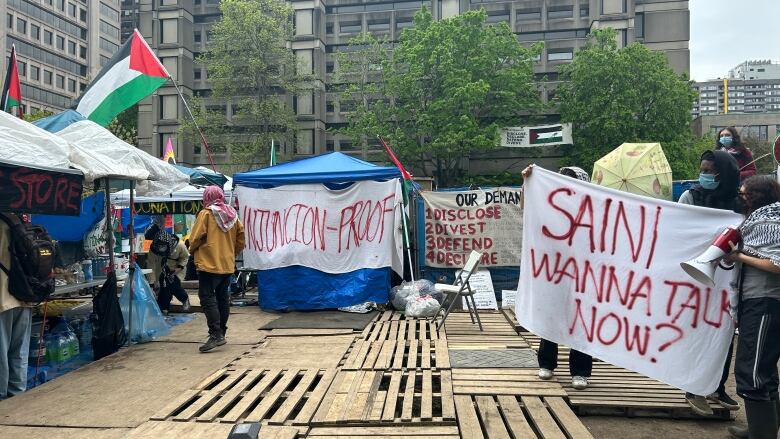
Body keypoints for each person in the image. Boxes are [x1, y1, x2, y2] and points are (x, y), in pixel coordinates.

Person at [677, 150, 741, 415]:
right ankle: (694, 389)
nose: (704, 175)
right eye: (702, 169)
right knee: (699, 334)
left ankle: (717, 386)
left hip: (727, 279)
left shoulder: (739, 203)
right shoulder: (690, 196)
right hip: (696, 277)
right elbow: (679, 228)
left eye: (710, 172)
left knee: (723, 336)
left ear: (723, 174)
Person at [523, 165, 594, 390]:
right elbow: (528, 210)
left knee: (580, 322)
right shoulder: (550, 207)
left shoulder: (592, 208)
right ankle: (547, 363)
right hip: (553, 274)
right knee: (550, 317)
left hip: (583, 276)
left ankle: (580, 371)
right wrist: (528, 183)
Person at [722, 176, 780, 439]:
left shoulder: (771, 222)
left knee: (752, 371)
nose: (741, 198)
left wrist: (739, 257)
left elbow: (777, 264)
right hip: (759, 302)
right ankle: (761, 428)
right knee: (763, 370)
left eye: (745, 195)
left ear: (759, 196)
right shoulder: (760, 220)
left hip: (766, 303)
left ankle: (762, 434)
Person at [188, 186, 245, 353]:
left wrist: (192, 250)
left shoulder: (206, 214)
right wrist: (230, 253)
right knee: (222, 299)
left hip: (209, 264)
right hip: (227, 265)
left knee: (206, 298)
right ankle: (222, 332)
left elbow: (196, 238)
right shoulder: (232, 215)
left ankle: (215, 334)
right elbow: (241, 240)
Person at [0, 213, 32, 399]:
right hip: (24, 295)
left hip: (3, 297)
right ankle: (18, 395)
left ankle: (3, 398)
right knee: (19, 350)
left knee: (2, 353)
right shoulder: (19, 221)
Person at [145, 219, 191, 314]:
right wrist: (152, 283)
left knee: (172, 284)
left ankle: (183, 299)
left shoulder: (179, 245)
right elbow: (151, 264)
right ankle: (164, 307)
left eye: (162, 247)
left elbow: (185, 257)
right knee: (164, 286)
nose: (159, 249)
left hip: (176, 269)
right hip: (161, 270)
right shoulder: (154, 249)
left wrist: (179, 268)